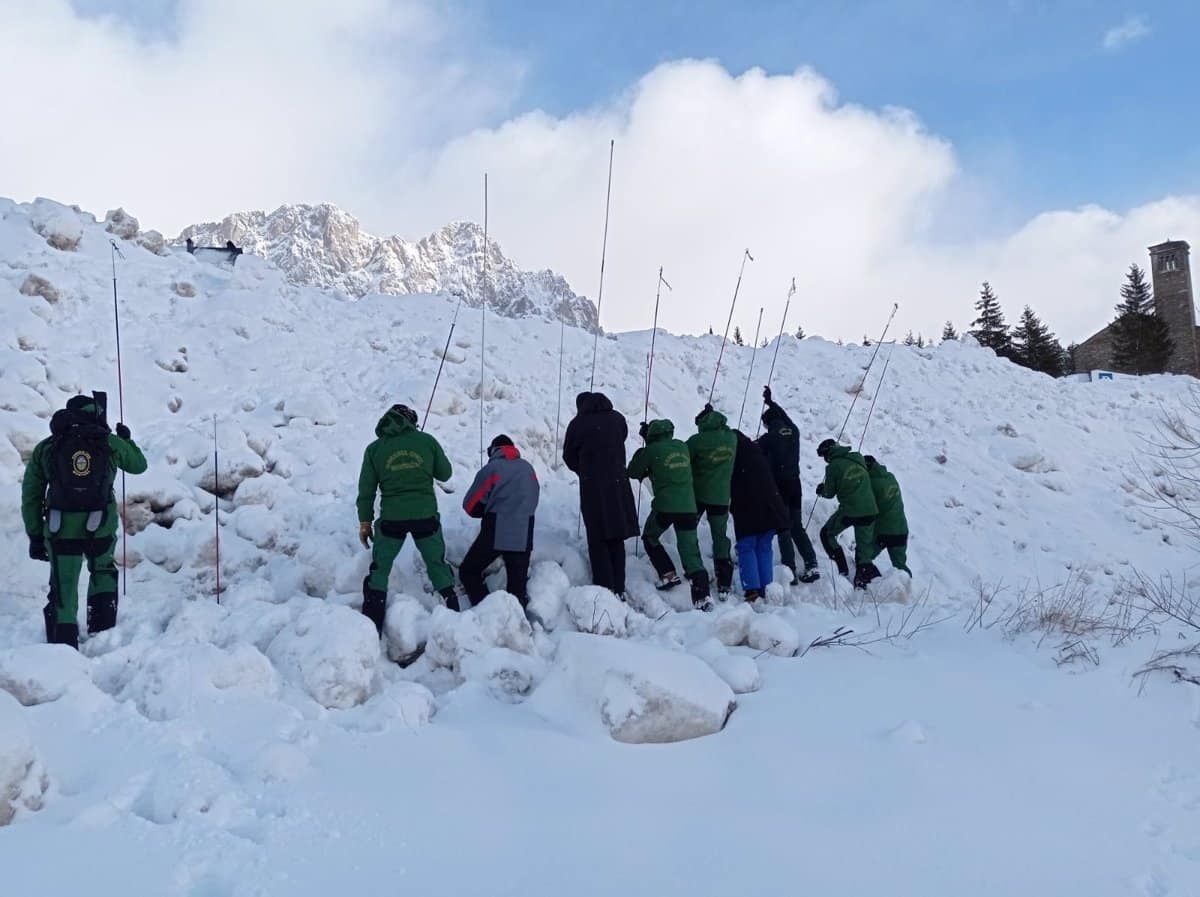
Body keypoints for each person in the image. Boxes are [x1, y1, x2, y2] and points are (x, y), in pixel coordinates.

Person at [21, 393, 147, 648]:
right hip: (100, 524)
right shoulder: (109, 442)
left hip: (60, 527)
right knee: (102, 571)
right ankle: (102, 634)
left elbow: (31, 495)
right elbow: (138, 465)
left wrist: (35, 535)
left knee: (63, 583)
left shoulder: (48, 446)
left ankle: (63, 644)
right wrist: (127, 441)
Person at [356, 403, 458, 634]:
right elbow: (445, 474)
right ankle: (453, 615)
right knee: (436, 564)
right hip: (426, 517)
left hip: (392, 519)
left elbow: (366, 491)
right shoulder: (427, 441)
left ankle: (372, 626)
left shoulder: (374, 449)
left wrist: (365, 522)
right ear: (411, 421)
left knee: (380, 569)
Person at [628, 419, 712, 610]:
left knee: (650, 537)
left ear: (651, 435)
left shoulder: (651, 450)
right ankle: (702, 596)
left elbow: (633, 472)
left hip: (665, 506)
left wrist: (646, 448)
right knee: (690, 551)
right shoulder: (682, 447)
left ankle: (667, 573)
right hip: (688, 506)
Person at [563, 391, 639, 596]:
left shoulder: (578, 424)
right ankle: (619, 588)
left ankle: (605, 590)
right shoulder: (617, 419)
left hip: (593, 486)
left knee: (598, 538)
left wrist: (584, 469)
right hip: (618, 484)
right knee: (616, 537)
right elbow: (622, 437)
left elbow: (568, 455)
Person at [460, 435, 540, 612]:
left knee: (468, 572)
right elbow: (534, 498)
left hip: (496, 531)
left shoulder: (492, 469)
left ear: (494, 450)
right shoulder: (528, 469)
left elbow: (470, 504)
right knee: (517, 591)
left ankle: (486, 611)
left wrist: (485, 510)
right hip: (523, 531)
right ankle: (518, 629)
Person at [757, 386, 820, 584]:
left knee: (783, 527)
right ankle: (811, 563)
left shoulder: (767, 439)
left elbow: (757, 458)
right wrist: (771, 402)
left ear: (767, 423)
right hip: (795, 484)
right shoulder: (794, 431)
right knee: (797, 526)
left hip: (779, 486)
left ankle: (789, 570)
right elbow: (783, 416)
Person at [729, 429, 790, 601]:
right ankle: (767, 588)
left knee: (746, 546)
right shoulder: (755, 451)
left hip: (747, 506)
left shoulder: (734, 456)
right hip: (771, 505)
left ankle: (752, 590)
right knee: (764, 546)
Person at [814, 438, 881, 590]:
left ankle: (842, 570)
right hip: (870, 510)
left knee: (827, 534)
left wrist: (821, 490)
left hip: (850, 510)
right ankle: (866, 577)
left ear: (828, 453)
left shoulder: (832, 467)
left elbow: (830, 493)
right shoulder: (858, 457)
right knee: (863, 548)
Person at [686, 405, 736, 594]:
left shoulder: (697, 441)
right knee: (720, 536)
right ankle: (724, 579)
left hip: (698, 495)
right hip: (722, 497)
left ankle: (695, 569)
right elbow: (727, 428)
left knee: (689, 531)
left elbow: (684, 458)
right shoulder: (731, 438)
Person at [864, 455, 911, 576]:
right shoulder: (890, 477)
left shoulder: (870, 484)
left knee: (864, 557)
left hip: (883, 532)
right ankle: (910, 589)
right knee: (900, 566)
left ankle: (870, 582)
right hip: (901, 530)